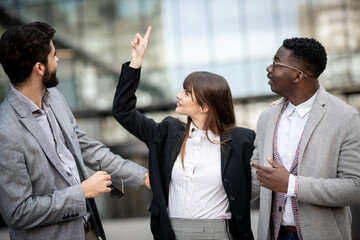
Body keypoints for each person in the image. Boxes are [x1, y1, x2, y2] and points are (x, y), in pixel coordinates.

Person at [0, 22, 149, 240]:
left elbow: (89, 149)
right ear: (39, 68)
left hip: (89, 231)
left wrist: (144, 176)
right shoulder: (5, 130)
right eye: (54, 55)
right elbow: (18, 213)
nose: (58, 60)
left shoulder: (56, 99)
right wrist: (82, 193)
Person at [112, 26, 255, 240]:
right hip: (171, 232)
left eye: (187, 92)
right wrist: (136, 61)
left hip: (218, 233)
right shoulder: (169, 132)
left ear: (205, 106)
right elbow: (123, 111)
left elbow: (254, 185)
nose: (179, 95)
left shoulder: (242, 140)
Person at [250, 37, 360, 240]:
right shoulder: (267, 117)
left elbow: (355, 187)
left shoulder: (347, 118)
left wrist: (292, 185)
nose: (269, 68)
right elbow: (256, 179)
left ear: (297, 75)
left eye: (276, 63)